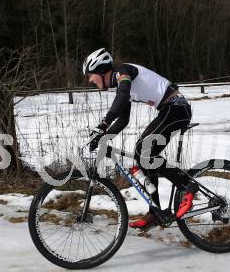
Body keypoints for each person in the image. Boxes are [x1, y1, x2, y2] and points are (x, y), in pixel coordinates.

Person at [83, 48, 198, 229]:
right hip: (169, 110)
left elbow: (122, 96)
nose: (90, 80)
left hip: (176, 108)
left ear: (101, 70)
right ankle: (156, 212)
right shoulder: (121, 84)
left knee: (143, 151)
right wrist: (104, 137)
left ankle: (187, 185)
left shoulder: (123, 72)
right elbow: (123, 119)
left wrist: (103, 124)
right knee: (142, 156)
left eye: (90, 75)